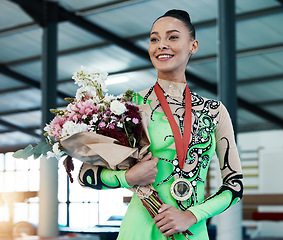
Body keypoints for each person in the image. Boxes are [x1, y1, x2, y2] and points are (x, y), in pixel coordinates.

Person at [78, 9, 243, 240]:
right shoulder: (127, 106)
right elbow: (86, 174)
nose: (161, 45)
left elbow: (235, 186)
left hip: (191, 231)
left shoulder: (215, 111)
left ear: (193, 46)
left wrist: (193, 215)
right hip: (140, 229)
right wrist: (128, 178)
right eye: (154, 39)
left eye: (172, 37)